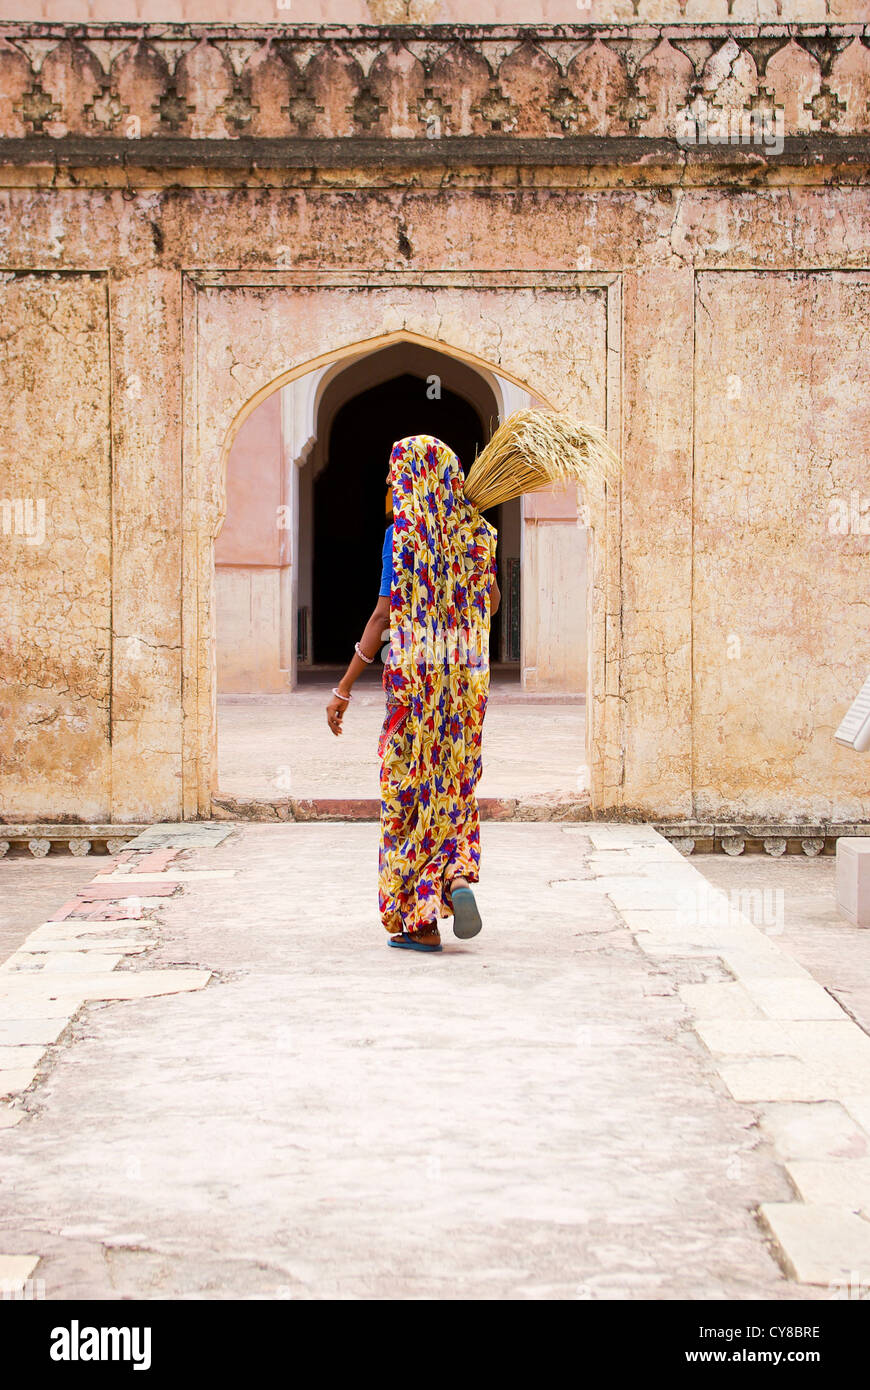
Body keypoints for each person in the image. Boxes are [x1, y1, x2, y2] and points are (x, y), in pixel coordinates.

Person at [326, 434, 500, 954]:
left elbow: (382, 618)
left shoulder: (400, 539)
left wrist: (343, 687)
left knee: (408, 792)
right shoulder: (477, 535)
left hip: (413, 694)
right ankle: (455, 878)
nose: (388, 481)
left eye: (393, 472)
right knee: (452, 783)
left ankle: (421, 922)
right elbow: (489, 605)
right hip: (463, 693)